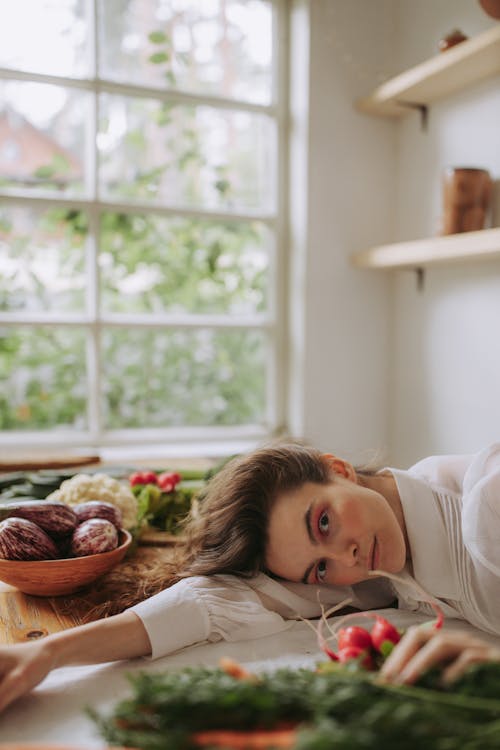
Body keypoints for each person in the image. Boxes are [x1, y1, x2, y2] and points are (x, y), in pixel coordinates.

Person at [1, 439, 500, 712]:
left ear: (337, 468)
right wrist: (49, 652)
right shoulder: (375, 570)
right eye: (318, 567)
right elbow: (215, 601)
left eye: (323, 520)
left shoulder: (486, 505)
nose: (347, 558)